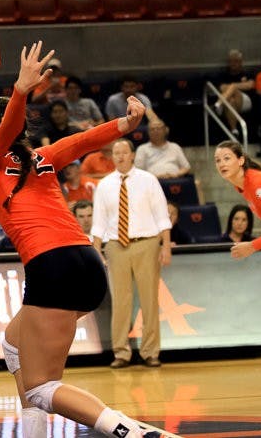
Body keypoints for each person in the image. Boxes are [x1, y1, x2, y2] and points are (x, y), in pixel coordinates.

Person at [0, 42, 159, 438]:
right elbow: (84, 142)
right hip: (88, 265)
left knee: (40, 388)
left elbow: (12, 135)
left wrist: (20, 92)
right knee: (13, 345)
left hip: (52, 268)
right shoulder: (43, 157)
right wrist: (124, 124)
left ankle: (128, 431)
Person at [92, 138, 172, 369]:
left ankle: (150, 352)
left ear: (133, 155)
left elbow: (161, 216)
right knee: (120, 301)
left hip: (146, 242)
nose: (119, 156)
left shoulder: (149, 180)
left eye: (124, 152)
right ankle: (121, 352)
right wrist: (97, 250)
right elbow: (98, 222)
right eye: (115, 153)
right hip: (116, 245)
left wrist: (165, 246)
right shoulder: (104, 185)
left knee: (149, 300)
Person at [214, 140, 261, 317]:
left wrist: (251, 246)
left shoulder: (256, 183)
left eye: (226, 158)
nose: (221, 163)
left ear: (240, 160)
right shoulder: (243, 184)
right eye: (217, 160)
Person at [215, 49, 255, 136]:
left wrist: (234, 86)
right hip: (229, 101)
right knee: (231, 101)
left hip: (245, 101)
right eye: (231, 61)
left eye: (236, 61)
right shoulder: (223, 75)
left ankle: (219, 103)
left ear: (241, 62)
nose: (233, 63)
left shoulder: (247, 74)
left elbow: (250, 85)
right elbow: (222, 88)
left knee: (233, 87)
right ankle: (234, 129)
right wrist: (240, 85)